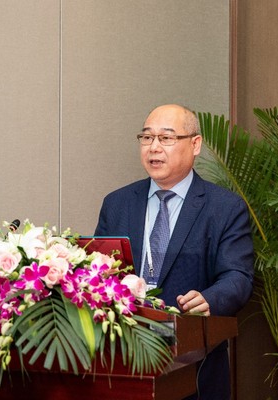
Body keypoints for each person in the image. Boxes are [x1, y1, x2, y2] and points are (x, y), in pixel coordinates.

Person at [94, 104, 254, 400]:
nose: (154, 147)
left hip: (194, 365)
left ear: (195, 144)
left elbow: (238, 275)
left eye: (166, 138)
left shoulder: (225, 208)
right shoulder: (117, 204)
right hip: (123, 360)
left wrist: (209, 299)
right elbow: (98, 272)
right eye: (146, 137)